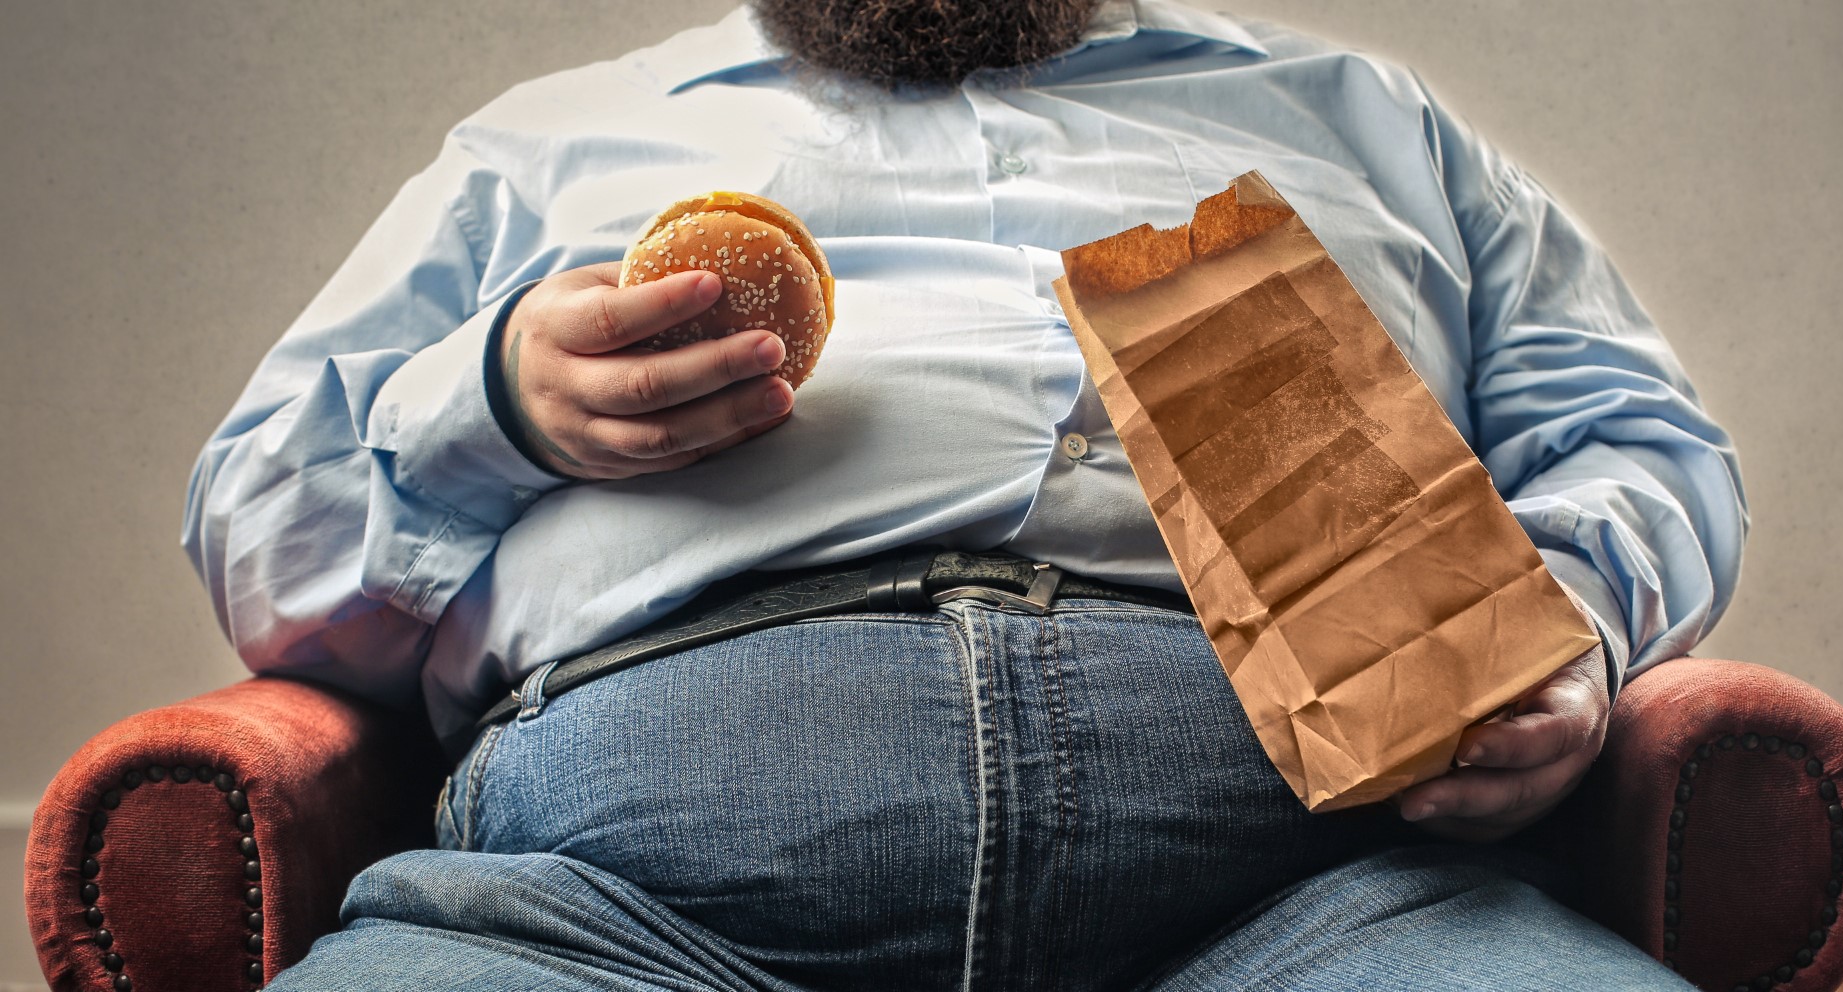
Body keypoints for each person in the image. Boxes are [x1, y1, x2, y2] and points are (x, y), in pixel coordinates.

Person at [183, 0, 1746, 987]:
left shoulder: (1374, 122)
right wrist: (501, 404)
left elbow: (1636, 437)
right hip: (606, 910)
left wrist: (1561, 635)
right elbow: (265, 534)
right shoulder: (534, 150)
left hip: (1346, 893)